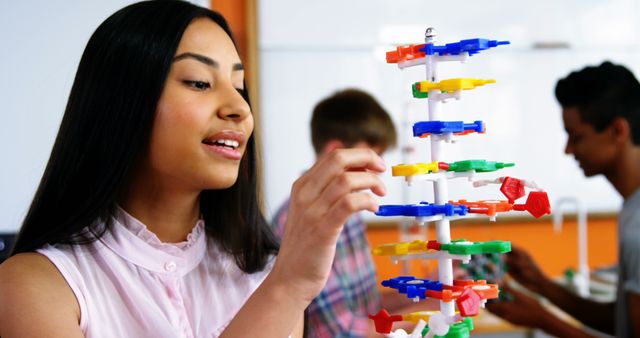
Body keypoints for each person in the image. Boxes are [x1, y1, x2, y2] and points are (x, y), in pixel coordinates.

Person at [0, 2, 389, 337]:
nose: (239, 108)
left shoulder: (262, 271)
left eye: (240, 86)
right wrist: (288, 287)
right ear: (120, 103)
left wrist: (287, 284)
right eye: (200, 82)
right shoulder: (33, 288)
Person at [487, 61, 640, 337]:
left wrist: (542, 318)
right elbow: (623, 321)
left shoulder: (638, 228)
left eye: (576, 136)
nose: (568, 150)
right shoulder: (632, 210)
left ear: (618, 131)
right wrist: (542, 284)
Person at [272, 89, 427, 337]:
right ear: (337, 152)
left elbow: (367, 308)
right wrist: (425, 321)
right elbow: (338, 332)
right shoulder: (295, 220)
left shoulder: (349, 209)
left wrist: (426, 294)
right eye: (372, 158)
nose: (377, 171)